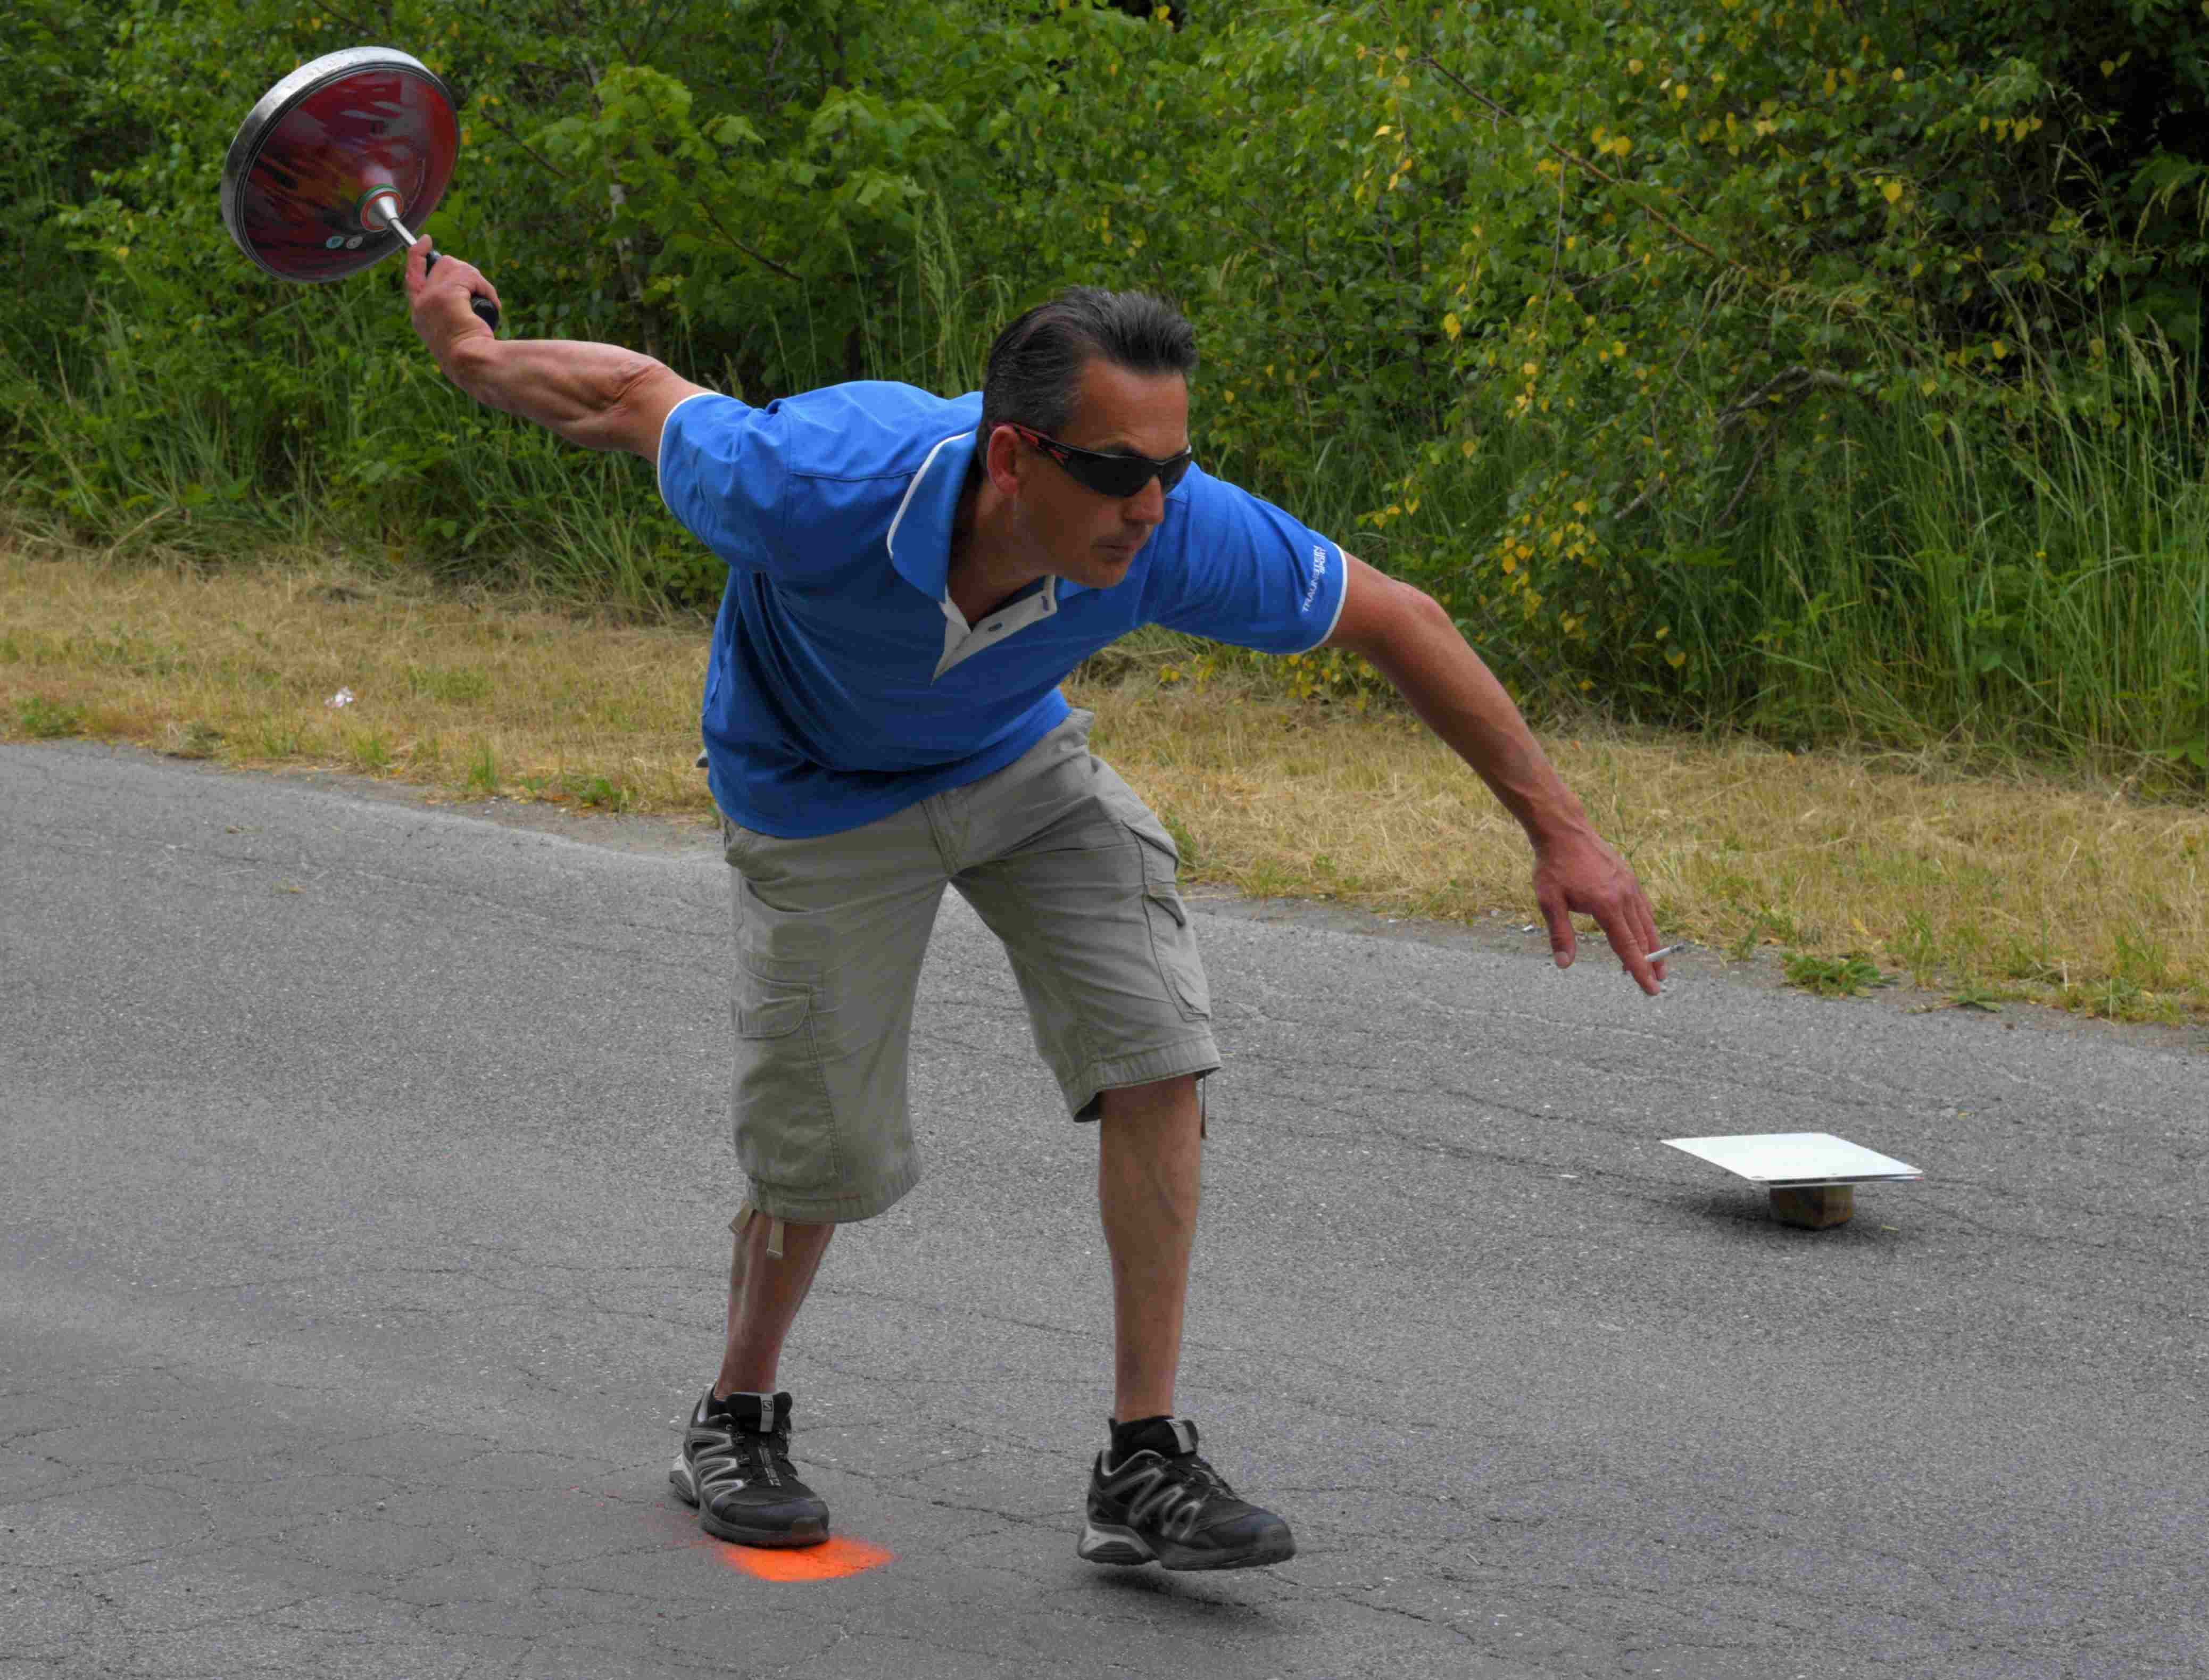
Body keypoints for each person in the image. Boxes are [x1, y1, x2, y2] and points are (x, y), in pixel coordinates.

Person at [405, 244, 1665, 1573]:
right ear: (1013, 458)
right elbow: (633, 395)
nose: (1150, 508)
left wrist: (1562, 834)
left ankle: (1143, 1459)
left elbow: (1401, 619)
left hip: (1013, 758)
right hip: (815, 790)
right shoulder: (813, 482)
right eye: (1117, 473)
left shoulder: (1175, 529)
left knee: (1155, 1047)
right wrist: (472, 354)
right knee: (820, 1145)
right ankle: (737, 1413)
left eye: (1172, 469)